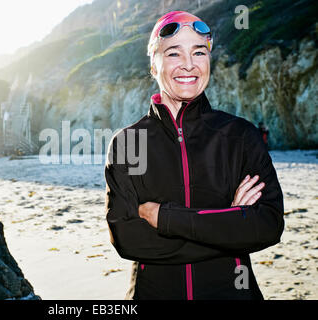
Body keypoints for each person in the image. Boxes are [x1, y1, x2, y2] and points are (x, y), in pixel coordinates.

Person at [104, 11, 284, 300]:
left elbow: (268, 225)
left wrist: (163, 217)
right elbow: (128, 240)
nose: (189, 64)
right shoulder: (128, 142)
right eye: (174, 53)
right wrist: (231, 225)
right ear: (154, 66)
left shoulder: (241, 136)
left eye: (199, 52)